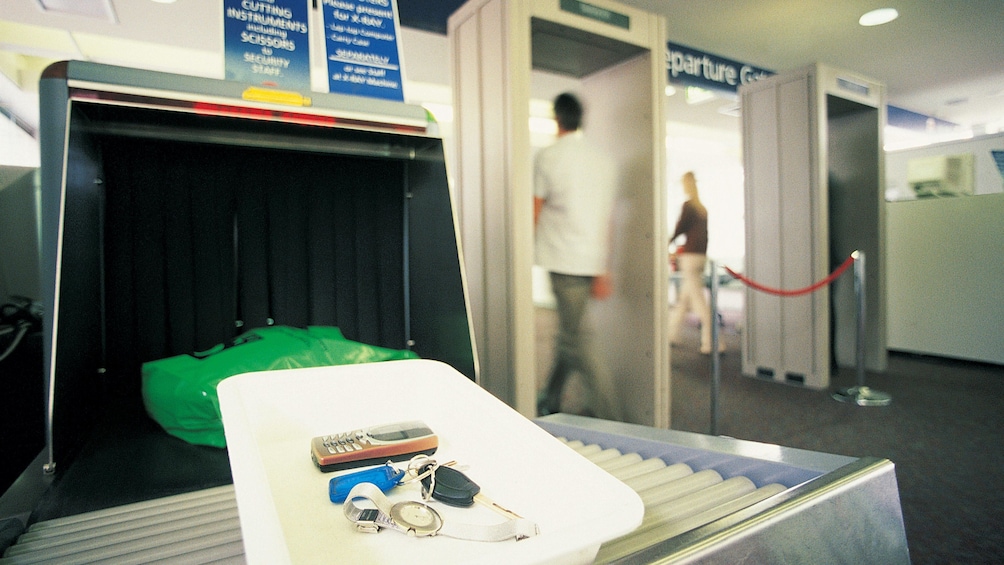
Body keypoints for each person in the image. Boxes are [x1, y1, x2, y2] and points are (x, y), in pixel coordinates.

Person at [533, 92, 622, 420]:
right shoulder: (602, 160)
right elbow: (607, 218)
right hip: (591, 261)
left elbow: (535, 211)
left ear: (557, 119)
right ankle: (550, 398)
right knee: (569, 334)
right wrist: (604, 268)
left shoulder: (549, 156)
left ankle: (613, 417)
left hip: (563, 261)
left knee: (578, 340)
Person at [669, 171, 721, 354]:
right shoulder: (701, 208)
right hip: (700, 257)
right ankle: (671, 334)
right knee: (684, 300)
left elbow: (679, 228)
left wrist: (665, 242)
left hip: (690, 258)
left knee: (698, 302)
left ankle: (713, 342)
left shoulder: (689, 206)